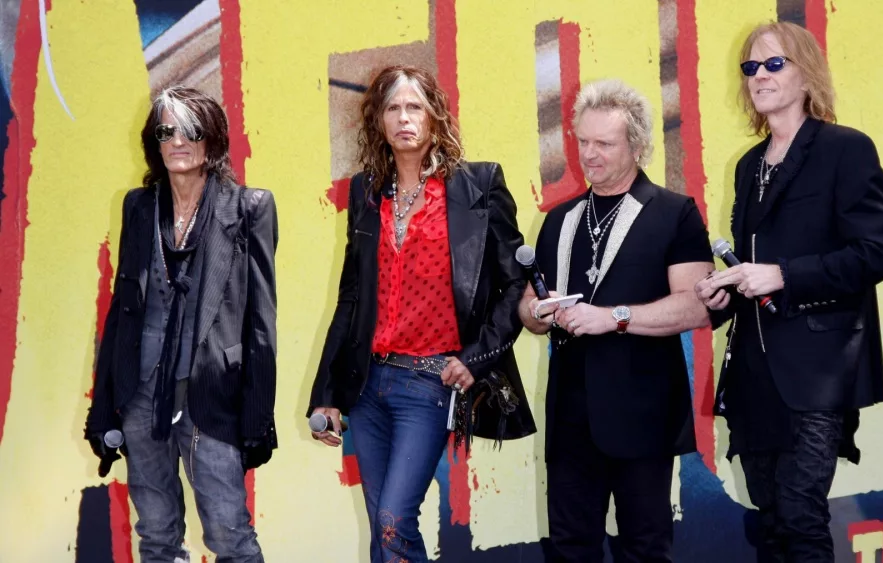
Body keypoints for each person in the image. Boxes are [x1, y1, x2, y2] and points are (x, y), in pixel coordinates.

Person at [308, 65, 536, 563]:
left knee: (394, 518)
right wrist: (325, 395)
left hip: (429, 382)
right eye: (393, 108)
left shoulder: (478, 185)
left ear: (435, 116)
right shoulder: (366, 193)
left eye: (415, 106)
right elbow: (351, 298)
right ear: (378, 120)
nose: (404, 118)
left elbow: (513, 283)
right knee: (381, 527)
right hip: (368, 383)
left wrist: (475, 359)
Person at [694, 21, 883, 562]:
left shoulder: (845, 150)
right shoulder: (747, 165)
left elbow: (877, 253)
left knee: (800, 512)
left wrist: (784, 274)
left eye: (774, 64)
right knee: (771, 517)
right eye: (750, 67)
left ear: (806, 73)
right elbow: (751, 267)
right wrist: (725, 292)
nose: (759, 75)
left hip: (818, 368)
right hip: (753, 372)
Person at [518, 79, 714, 563]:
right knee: (569, 548)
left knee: (645, 549)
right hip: (569, 414)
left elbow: (697, 305)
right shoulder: (558, 219)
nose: (589, 154)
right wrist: (539, 314)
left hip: (644, 409)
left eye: (603, 143)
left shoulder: (675, 213)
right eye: (582, 141)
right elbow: (527, 306)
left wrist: (614, 318)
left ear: (638, 145)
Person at [84, 86, 278, 562]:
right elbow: (123, 309)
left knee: (231, 536)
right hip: (142, 393)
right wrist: (105, 403)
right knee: (156, 535)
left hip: (211, 392)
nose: (178, 140)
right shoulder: (138, 206)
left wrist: (257, 416)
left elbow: (261, 322)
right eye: (166, 131)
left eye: (190, 130)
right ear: (154, 142)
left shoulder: (250, 207)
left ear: (211, 138)